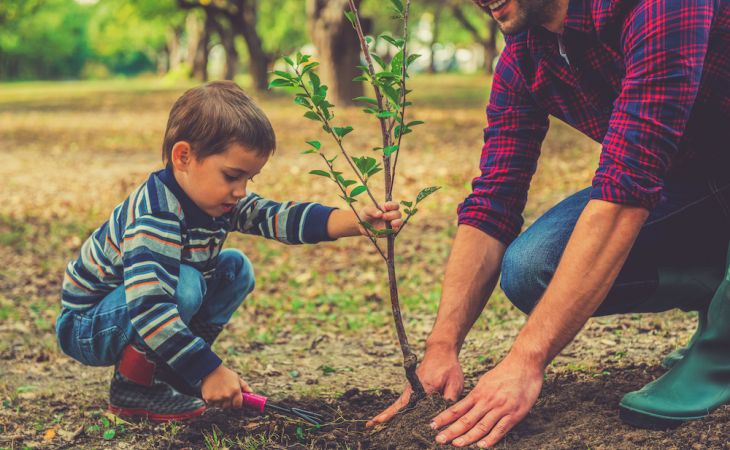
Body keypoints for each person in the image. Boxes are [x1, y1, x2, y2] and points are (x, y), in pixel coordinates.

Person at [369, 0, 730, 447]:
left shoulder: (658, 6)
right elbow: (493, 199)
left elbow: (626, 190)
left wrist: (526, 361)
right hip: (695, 183)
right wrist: (442, 347)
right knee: (532, 267)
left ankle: (723, 348)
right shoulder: (527, 54)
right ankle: (718, 289)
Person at [55, 81, 402, 422]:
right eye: (233, 176)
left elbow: (276, 216)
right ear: (184, 156)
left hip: (132, 311)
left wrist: (354, 221)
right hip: (88, 325)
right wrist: (209, 371)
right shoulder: (156, 215)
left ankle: (174, 373)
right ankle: (134, 387)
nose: (241, 191)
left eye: (249, 179)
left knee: (235, 268)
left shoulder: (217, 200)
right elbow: (148, 308)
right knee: (185, 283)